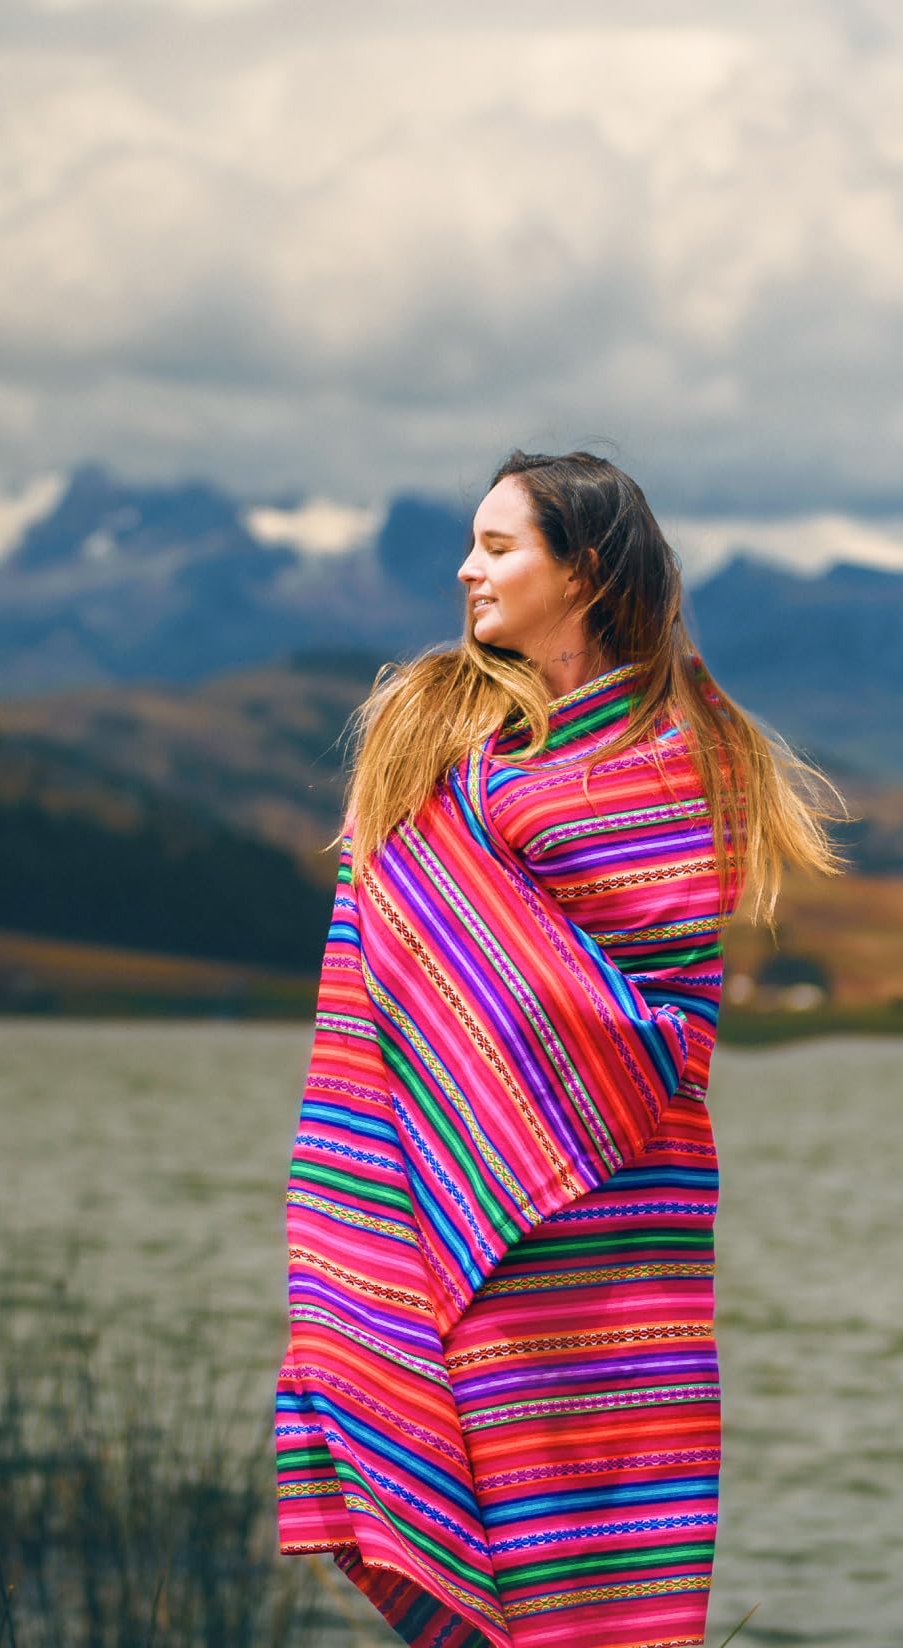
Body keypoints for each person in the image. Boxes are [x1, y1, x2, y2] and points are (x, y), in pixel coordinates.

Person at [273, 449, 845, 1648]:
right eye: (472, 544)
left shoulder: (679, 757)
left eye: (497, 545)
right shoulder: (432, 740)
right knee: (487, 1541)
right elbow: (391, 972)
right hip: (454, 1216)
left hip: (621, 1223)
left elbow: (661, 1009)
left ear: (579, 570)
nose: (465, 569)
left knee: (613, 1545)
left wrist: (502, 981)